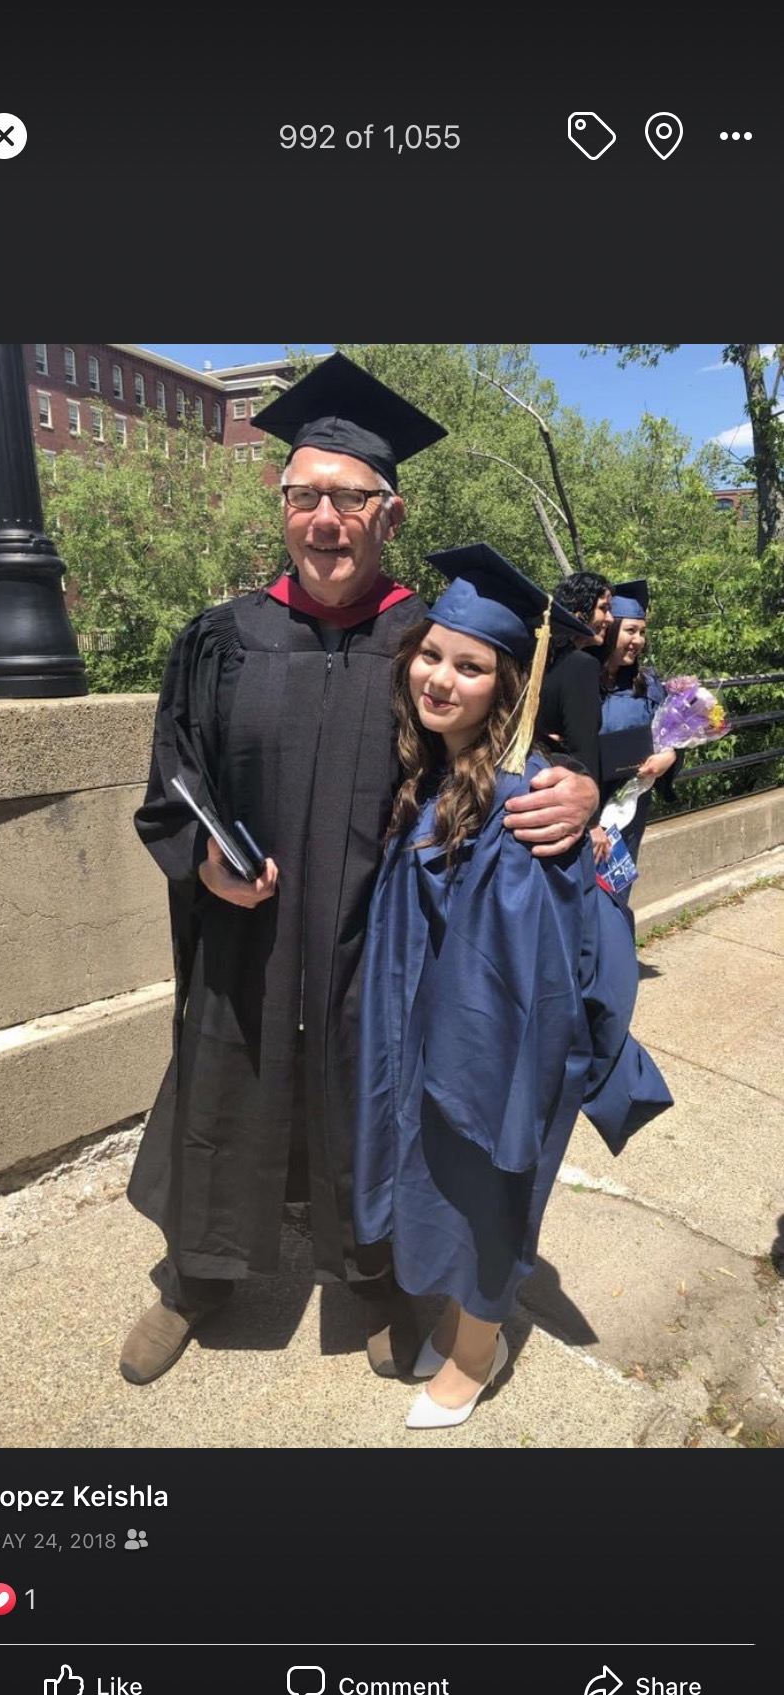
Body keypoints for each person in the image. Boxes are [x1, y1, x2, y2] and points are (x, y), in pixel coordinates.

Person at [119, 355, 600, 1388]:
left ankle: (374, 1276)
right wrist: (202, 862)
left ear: (392, 513)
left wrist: (584, 787)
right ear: (283, 504)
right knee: (224, 1086)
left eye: (349, 499)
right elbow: (172, 783)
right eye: (305, 496)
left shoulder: (425, 643)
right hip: (246, 940)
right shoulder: (221, 640)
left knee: (369, 1101)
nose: (324, 520)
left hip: (374, 947)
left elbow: (516, 737)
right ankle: (198, 1276)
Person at [353, 544, 673, 1430]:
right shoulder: (431, 770)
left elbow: (522, 971)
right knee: (443, 1187)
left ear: (508, 685)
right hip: (425, 1031)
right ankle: (460, 1322)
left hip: (485, 1048)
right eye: (431, 655)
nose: (440, 679)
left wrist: (467, 1069)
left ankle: (476, 1351)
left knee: (487, 1190)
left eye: (471, 666)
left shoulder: (520, 803)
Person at [596, 580, 679, 872]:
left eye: (642, 632)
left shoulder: (647, 684)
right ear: (610, 629)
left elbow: (670, 738)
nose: (638, 640)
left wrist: (669, 757)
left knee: (615, 888)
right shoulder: (580, 680)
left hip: (630, 807)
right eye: (631, 630)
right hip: (586, 807)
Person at [536, 570, 613, 865]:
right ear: (580, 612)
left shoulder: (539, 656)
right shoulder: (581, 666)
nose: (610, 619)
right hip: (566, 799)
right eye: (603, 608)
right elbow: (584, 747)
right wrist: (592, 822)